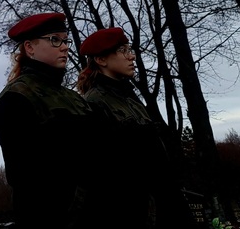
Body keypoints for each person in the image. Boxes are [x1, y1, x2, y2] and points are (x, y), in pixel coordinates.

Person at [76, 27, 194, 229]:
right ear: (101, 59)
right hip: (132, 214)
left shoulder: (130, 99)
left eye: (130, 49)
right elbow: (104, 173)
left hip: (162, 206)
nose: (131, 56)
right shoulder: (94, 103)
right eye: (122, 51)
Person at [0, 12, 95, 228]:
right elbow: (27, 178)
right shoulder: (16, 97)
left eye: (65, 41)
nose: (64, 47)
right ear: (30, 47)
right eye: (55, 40)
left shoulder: (74, 98)